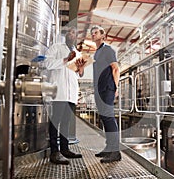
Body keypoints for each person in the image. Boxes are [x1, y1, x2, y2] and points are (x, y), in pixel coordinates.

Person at [44, 26, 86, 165]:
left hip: (71, 93)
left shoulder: (78, 53)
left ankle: (65, 149)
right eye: (69, 32)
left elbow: (78, 75)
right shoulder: (56, 48)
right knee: (55, 121)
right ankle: (54, 152)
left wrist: (81, 70)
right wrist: (65, 59)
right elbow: (47, 64)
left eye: (73, 32)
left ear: (76, 36)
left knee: (66, 123)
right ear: (65, 35)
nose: (71, 34)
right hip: (59, 91)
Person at [91, 25, 121, 163]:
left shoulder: (108, 50)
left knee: (109, 118)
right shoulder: (96, 53)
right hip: (99, 89)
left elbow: (115, 68)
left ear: (103, 36)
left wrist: (116, 87)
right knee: (104, 118)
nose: (93, 34)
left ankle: (115, 152)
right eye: (92, 33)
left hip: (108, 88)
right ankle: (109, 148)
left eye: (96, 32)